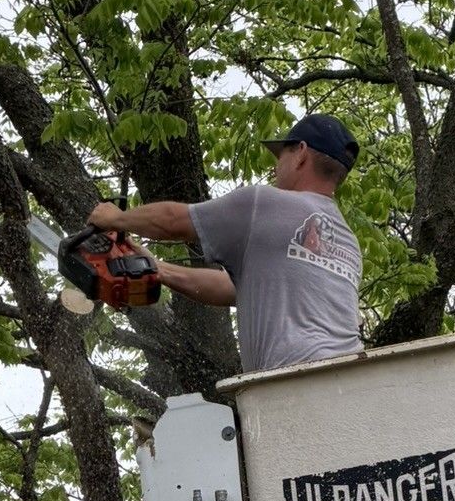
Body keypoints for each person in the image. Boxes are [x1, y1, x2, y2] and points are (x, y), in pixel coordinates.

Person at [87, 113, 363, 373]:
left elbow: (174, 221)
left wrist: (115, 218)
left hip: (292, 378)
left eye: (281, 155)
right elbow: (232, 288)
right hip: (350, 378)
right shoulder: (348, 242)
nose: (276, 166)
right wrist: (158, 268)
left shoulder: (264, 203)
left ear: (301, 153)